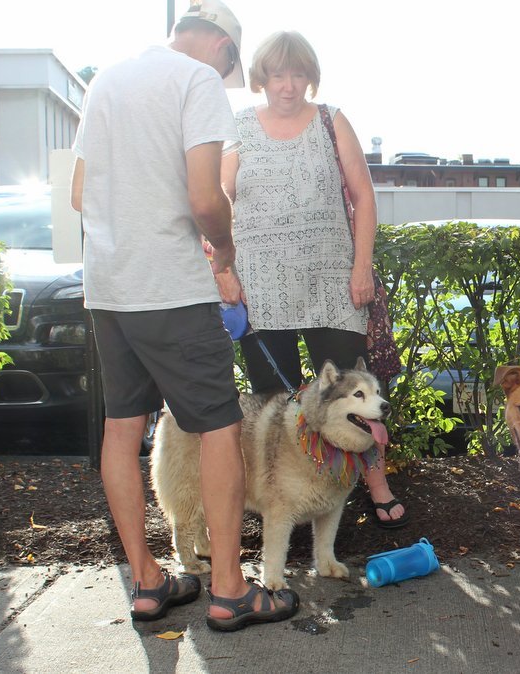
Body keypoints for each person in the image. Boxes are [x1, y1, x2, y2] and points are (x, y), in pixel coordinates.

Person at [71, 1, 298, 630]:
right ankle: (229, 590)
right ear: (223, 48)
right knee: (219, 426)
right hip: (172, 288)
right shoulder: (197, 81)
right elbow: (205, 198)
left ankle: (147, 582)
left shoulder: (107, 79)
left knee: (122, 430)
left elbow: (80, 193)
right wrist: (223, 250)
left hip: (109, 288)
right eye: (231, 68)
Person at [212, 30, 408, 529]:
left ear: (311, 78)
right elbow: (216, 200)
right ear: (262, 78)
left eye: (298, 74)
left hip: (333, 283)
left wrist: (361, 267)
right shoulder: (237, 127)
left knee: (355, 390)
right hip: (260, 287)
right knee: (273, 400)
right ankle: (287, 495)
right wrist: (225, 272)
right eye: (278, 74)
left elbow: (364, 196)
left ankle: (376, 485)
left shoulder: (330, 119)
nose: (288, 85)